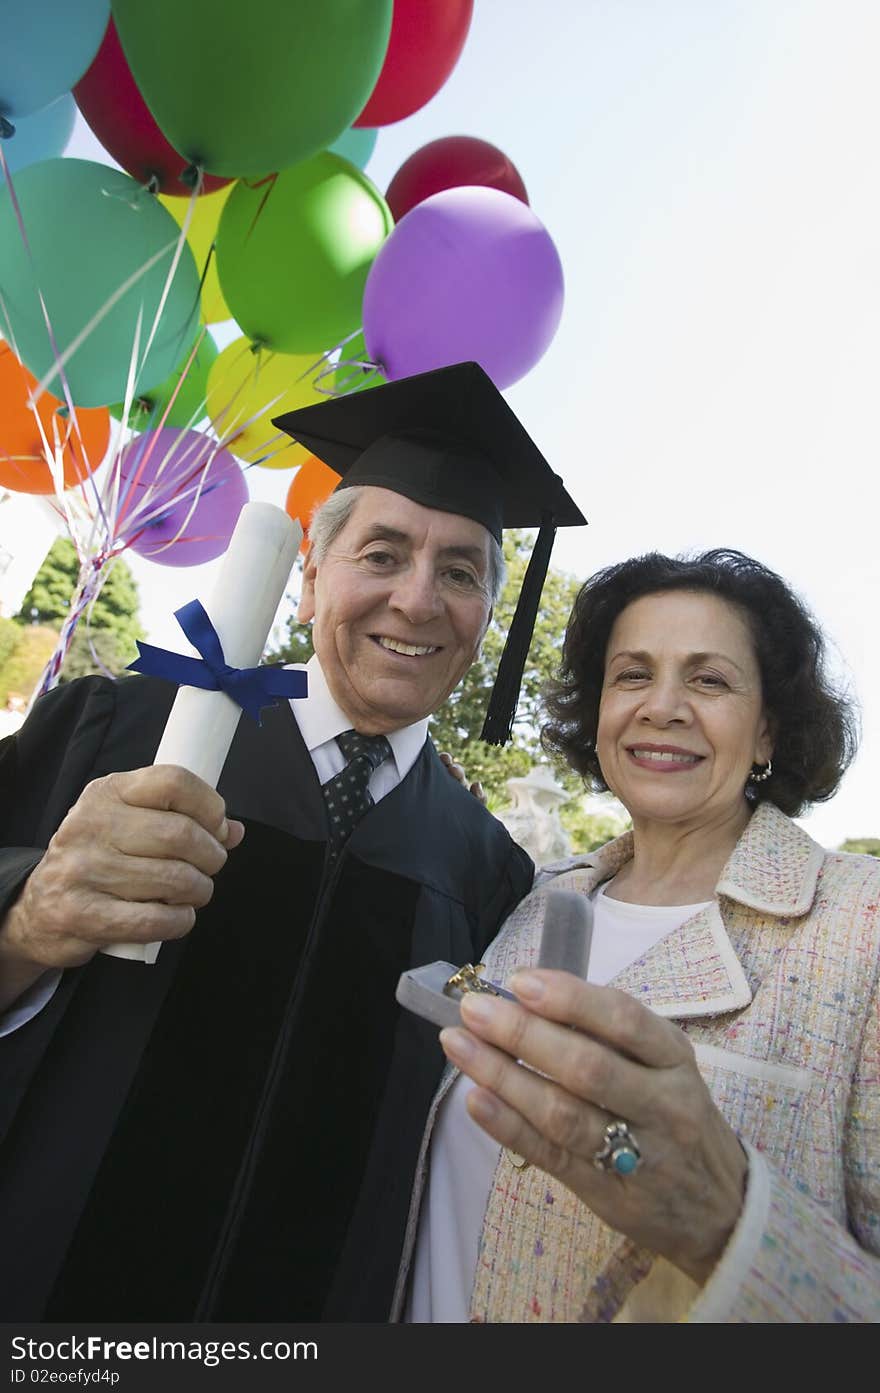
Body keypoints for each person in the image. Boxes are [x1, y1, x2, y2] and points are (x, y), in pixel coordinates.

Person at [0, 362, 585, 1322]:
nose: (418, 599)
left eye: (460, 571)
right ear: (309, 577)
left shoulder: (491, 874)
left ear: (487, 616)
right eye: (383, 553)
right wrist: (26, 917)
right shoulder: (116, 730)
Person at [397, 548, 880, 1323]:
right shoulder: (539, 897)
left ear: (768, 732)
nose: (662, 705)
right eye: (632, 674)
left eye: (709, 679)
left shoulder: (862, 929)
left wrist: (726, 1220)